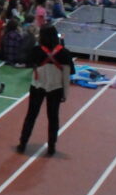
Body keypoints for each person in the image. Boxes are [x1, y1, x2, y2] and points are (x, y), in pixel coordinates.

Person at [17, 25, 75, 156]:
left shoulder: (36, 51)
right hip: (55, 88)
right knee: (53, 118)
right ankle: (51, 147)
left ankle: (22, 144)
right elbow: (66, 75)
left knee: (31, 116)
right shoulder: (64, 53)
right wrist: (65, 93)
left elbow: (28, 64)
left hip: (37, 86)